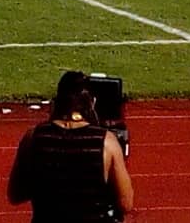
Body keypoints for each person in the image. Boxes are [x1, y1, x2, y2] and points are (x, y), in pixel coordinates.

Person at [8, 70, 134, 222]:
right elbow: (126, 204)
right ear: (91, 102)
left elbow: (15, 194)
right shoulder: (107, 142)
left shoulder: (33, 137)